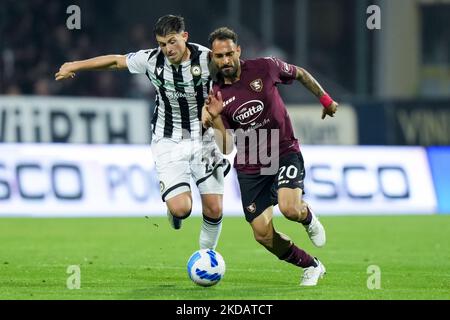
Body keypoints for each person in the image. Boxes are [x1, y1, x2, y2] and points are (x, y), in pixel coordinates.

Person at [55, 15, 230, 251]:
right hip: (167, 139)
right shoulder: (151, 60)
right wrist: (74, 65)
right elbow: (116, 61)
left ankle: (206, 257)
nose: (167, 49)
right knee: (182, 208)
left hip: (203, 139)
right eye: (161, 44)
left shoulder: (208, 59)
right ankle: (174, 208)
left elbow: (235, 77)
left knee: (214, 208)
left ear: (184, 37)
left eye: (172, 41)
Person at [202, 27, 338, 286]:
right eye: (219, 57)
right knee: (262, 234)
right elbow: (227, 147)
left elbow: (300, 74)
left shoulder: (265, 67)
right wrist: (217, 118)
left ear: (238, 51)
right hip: (251, 165)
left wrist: (325, 99)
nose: (226, 61)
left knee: (289, 209)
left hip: (284, 151)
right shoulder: (216, 94)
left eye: (229, 54)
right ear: (213, 59)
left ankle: (307, 217)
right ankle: (312, 265)